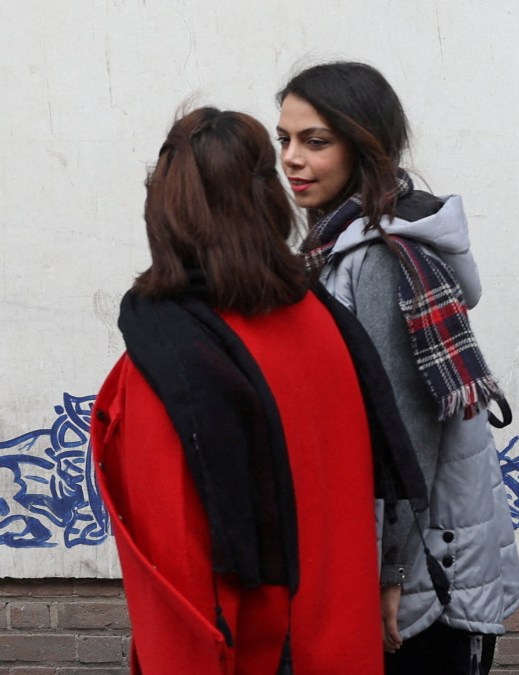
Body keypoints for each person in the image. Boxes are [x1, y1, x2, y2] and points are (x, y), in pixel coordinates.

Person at [91, 107, 427, 674]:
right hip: (344, 646)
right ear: (268, 199)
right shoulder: (324, 321)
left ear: (164, 210)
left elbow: (180, 577)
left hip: (255, 654)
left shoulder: (170, 360)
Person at [275, 61, 519, 675]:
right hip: (409, 553)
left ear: (364, 147)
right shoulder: (337, 248)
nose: (291, 159)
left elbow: (408, 431)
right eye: (284, 139)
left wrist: (396, 573)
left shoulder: (383, 260)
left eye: (315, 141)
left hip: (422, 577)